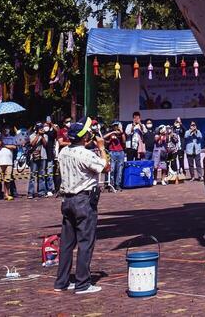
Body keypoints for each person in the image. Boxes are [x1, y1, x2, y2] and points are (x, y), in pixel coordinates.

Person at [53, 118, 109, 295]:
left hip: (67, 200)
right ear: (84, 137)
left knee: (67, 244)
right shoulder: (85, 154)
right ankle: (82, 283)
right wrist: (101, 147)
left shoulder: (64, 152)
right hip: (83, 200)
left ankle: (62, 281)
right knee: (86, 242)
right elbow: (105, 167)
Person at [0, 131, 16, 201]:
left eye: (7, 128)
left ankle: (6, 194)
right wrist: (1, 136)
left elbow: (14, 146)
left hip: (8, 162)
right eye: (4, 129)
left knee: (7, 180)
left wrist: (5, 145)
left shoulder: (12, 138)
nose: (6, 130)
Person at [104, 121, 126, 191]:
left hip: (120, 152)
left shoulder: (122, 133)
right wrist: (112, 133)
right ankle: (111, 184)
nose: (116, 127)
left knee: (119, 169)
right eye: (115, 126)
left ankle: (118, 185)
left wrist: (121, 132)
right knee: (112, 169)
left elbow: (124, 141)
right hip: (112, 152)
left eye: (117, 126)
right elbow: (104, 137)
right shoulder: (111, 133)